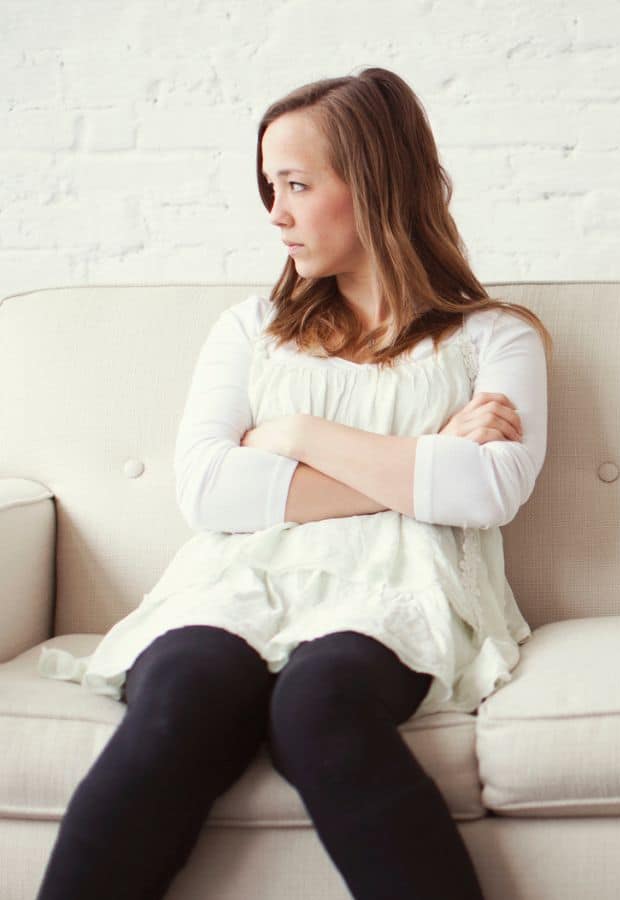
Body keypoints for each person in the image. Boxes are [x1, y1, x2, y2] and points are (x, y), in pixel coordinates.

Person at [35, 67, 550, 899]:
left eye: (298, 185)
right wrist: (423, 456)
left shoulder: (494, 339)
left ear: (376, 186)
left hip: (398, 586)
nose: (275, 212)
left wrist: (293, 436)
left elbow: (488, 493)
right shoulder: (251, 329)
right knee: (183, 696)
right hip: (234, 580)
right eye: (270, 186)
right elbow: (210, 491)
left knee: (320, 706)